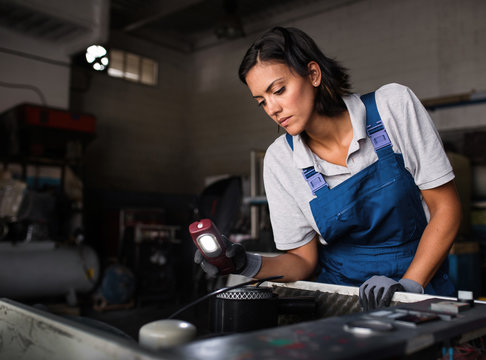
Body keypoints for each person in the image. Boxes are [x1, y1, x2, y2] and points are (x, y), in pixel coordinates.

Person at [194, 26, 461, 310]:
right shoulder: (280, 160)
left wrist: (408, 289)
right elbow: (303, 262)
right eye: (262, 101)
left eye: (279, 90)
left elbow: (446, 209)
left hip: (419, 288)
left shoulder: (393, 107)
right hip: (341, 301)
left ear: (313, 74)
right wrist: (245, 263)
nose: (272, 108)